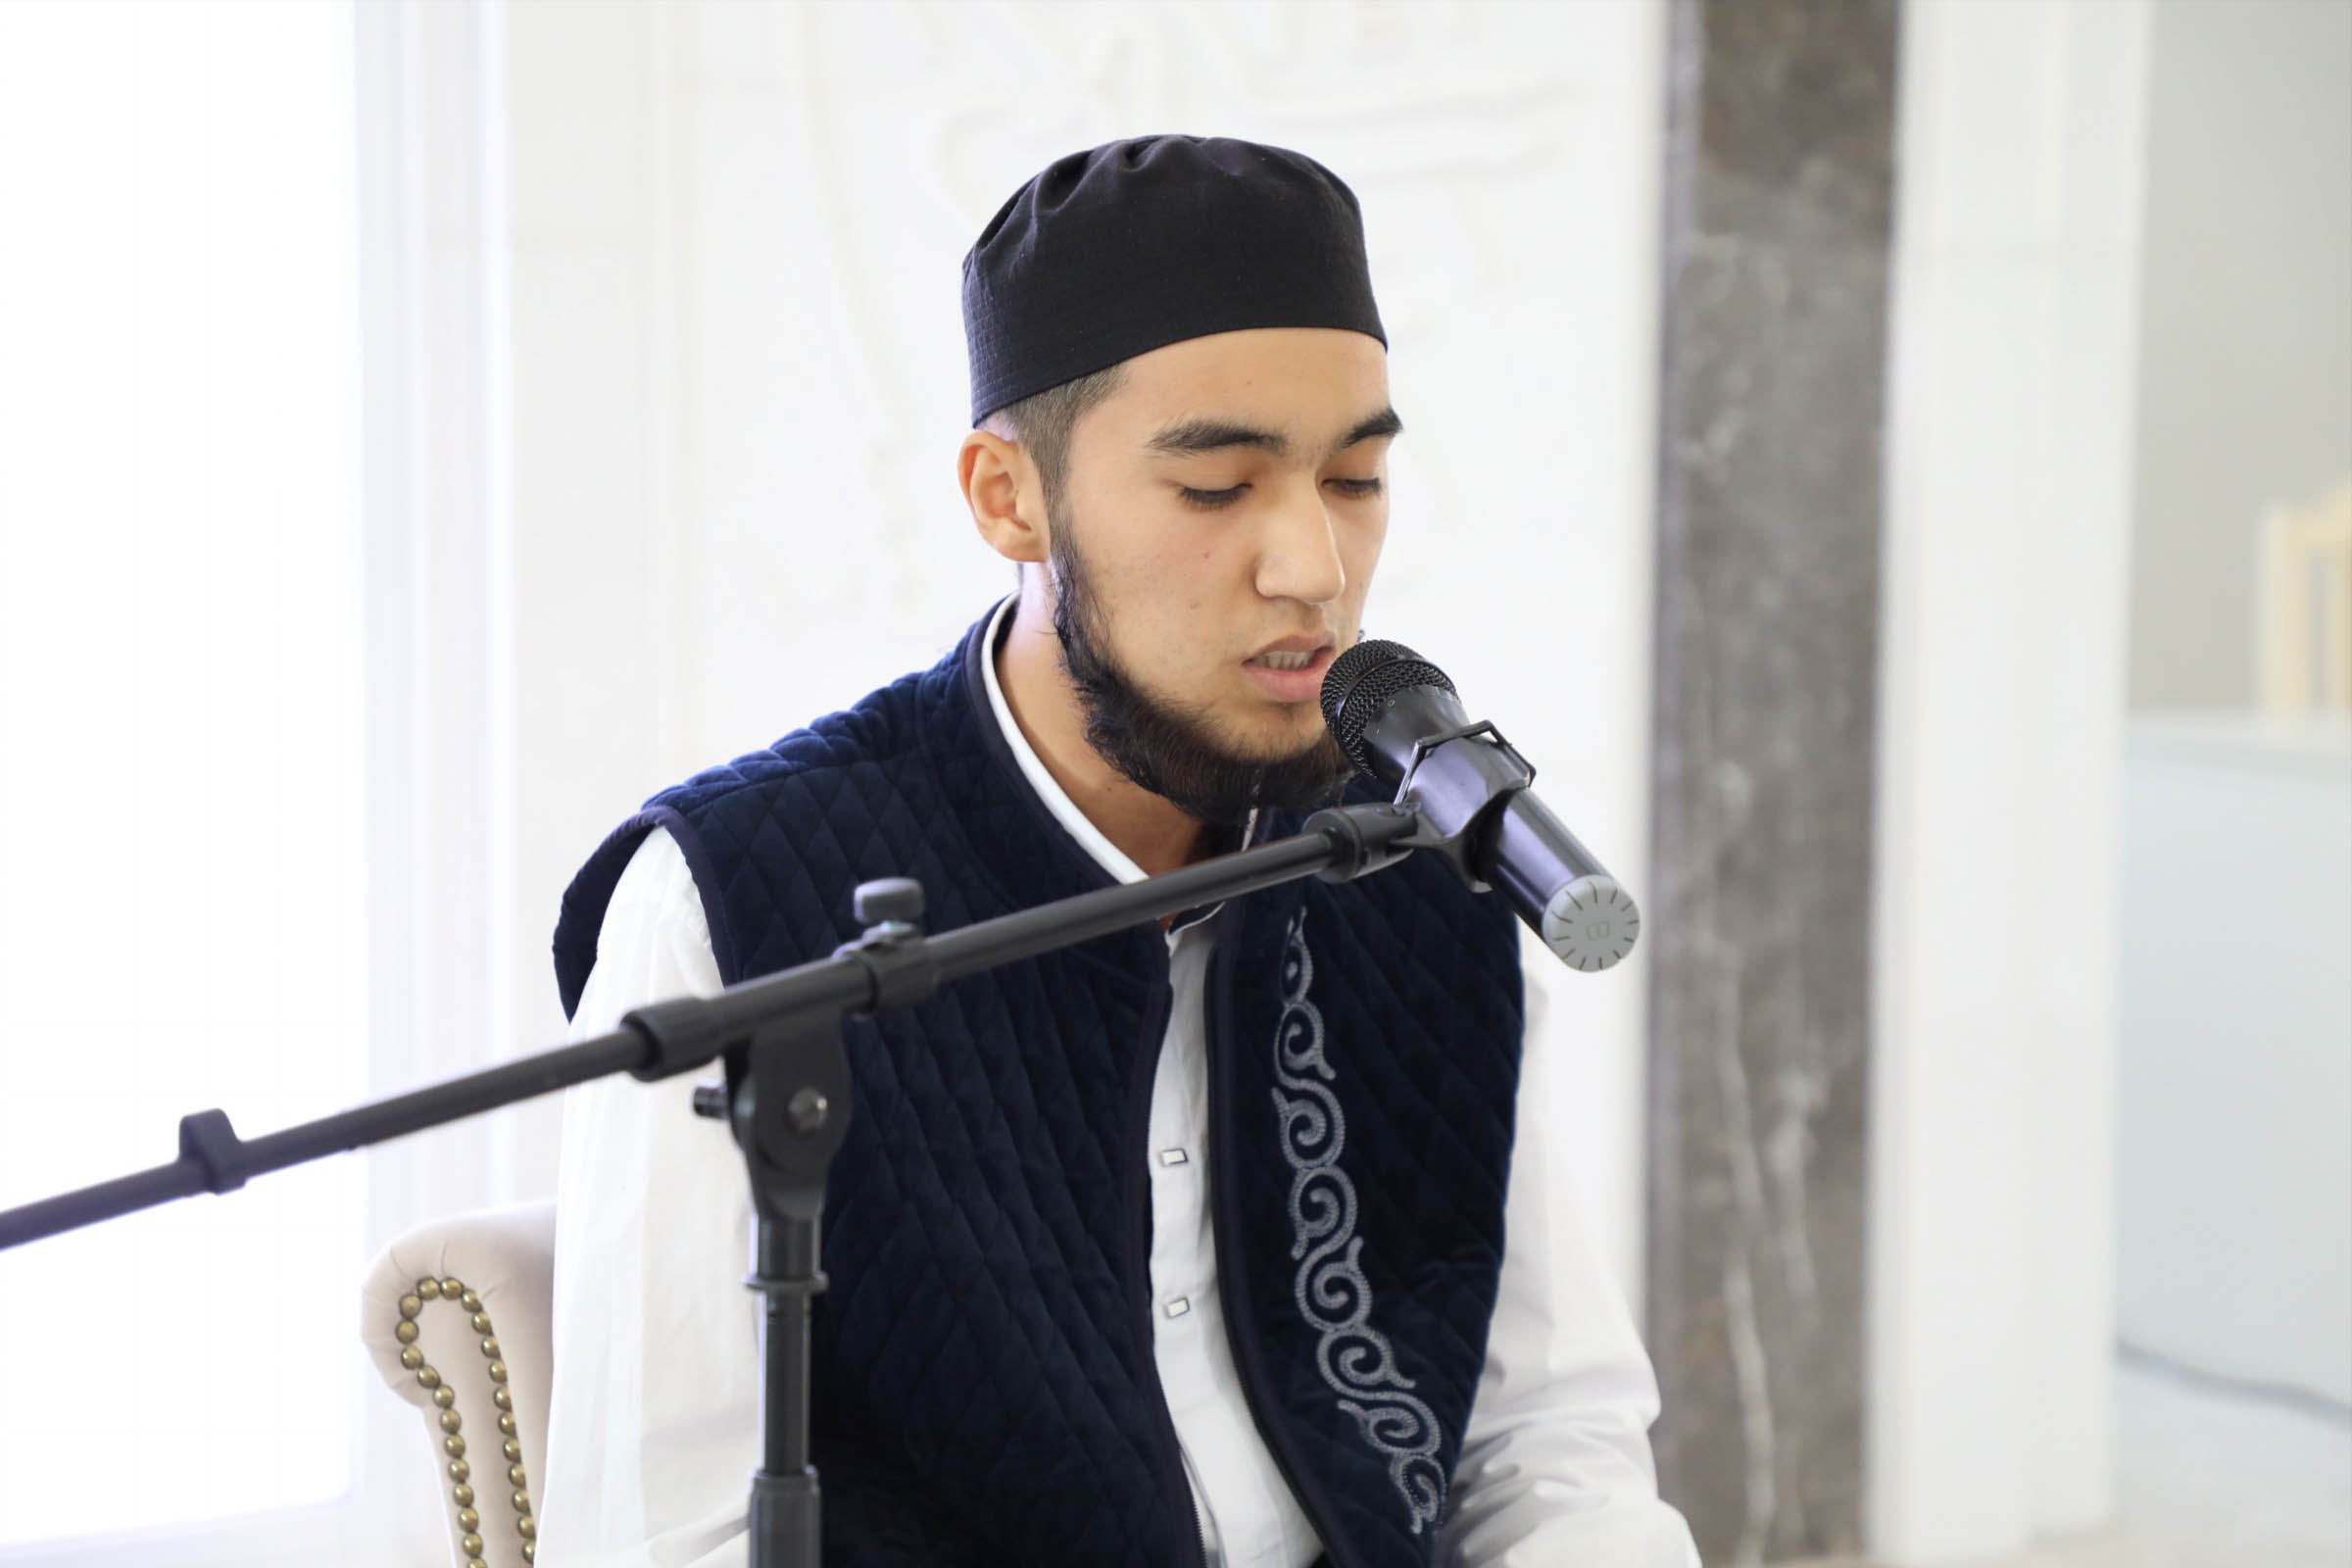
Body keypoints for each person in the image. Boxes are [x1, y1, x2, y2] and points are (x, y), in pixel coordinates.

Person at [540, 134, 1698, 1568]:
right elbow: (663, 1538)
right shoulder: (730, 898)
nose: (1315, 569)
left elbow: (1551, 1444)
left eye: (1354, 479)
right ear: (1006, 497)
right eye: (1216, 488)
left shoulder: (1420, 846)